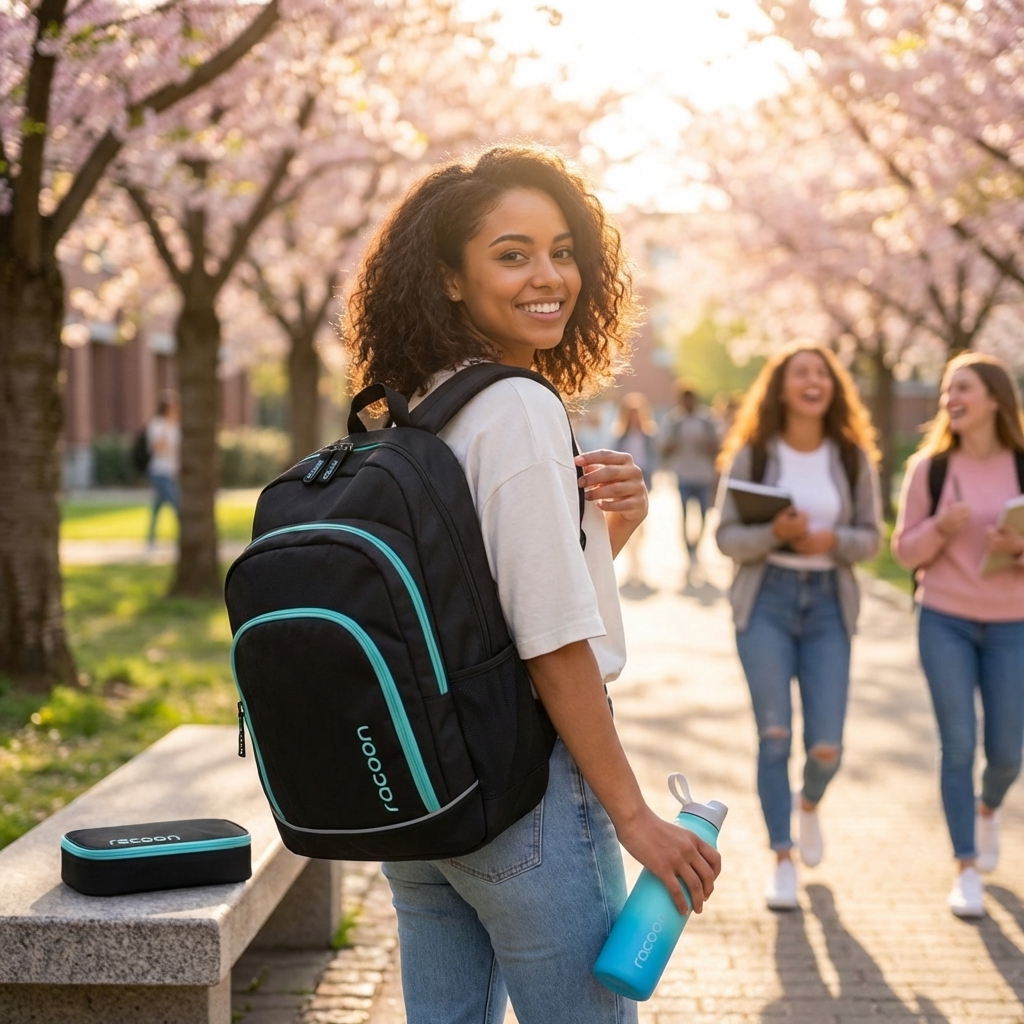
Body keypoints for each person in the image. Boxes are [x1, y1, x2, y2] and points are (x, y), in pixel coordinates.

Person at [342, 145, 721, 1024]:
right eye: (511, 255)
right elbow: (549, 642)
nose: (549, 276)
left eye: (561, 250)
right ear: (449, 279)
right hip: (528, 802)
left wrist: (604, 539)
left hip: (428, 801)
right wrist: (633, 815)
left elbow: (482, 608)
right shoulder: (515, 405)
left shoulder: (409, 404)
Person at [715, 342, 881, 910]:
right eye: (800, 373)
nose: (813, 380)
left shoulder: (853, 457)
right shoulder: (754, 455)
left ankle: (807, 803)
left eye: (822, 373)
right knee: (775, 735)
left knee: (827, 746)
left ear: (833, 388)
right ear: (781, 388)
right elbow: (726, 537)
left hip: (829, 605)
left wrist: (831, 540)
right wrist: (774, 537)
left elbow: (872, 538)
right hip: (767, 603)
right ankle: (781, 855)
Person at [892, 351, 1024, 920]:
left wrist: (1015, 548)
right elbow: (902, 551)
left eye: (963, 387)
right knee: (959, 744)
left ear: (995, 398)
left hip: (1011, 623)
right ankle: (965, 865)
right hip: (943, 617)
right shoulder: (931, 469)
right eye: (947, 389)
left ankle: (988, 807)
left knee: (1005, 751)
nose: (952, 398)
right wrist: (939, 531)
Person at [661, 383, 719, 575]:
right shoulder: (674, 421)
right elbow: (664, 448)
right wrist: (675, 443)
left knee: (703, 516)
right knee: (685, 516)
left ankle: (697, 547)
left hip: (703, 475)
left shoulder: (706, 420)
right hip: (684, 474)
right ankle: (688, 552)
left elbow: (718, 447)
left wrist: (705, 445)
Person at [610, 392, 658, 586]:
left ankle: (638, 565)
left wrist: (651, 482)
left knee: (642, 527)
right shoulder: (620, 437)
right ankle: (632, 565)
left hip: (644, 482)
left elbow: (654, 460)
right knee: (627, 524)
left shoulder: (649, 436)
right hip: (625, 484)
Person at [146, 390, 181, 547]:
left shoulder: (176, 426)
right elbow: (157, 448)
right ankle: (182, 536)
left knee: (157, 507)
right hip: (159, 471)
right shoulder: (157, 425)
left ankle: (150, 539)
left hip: (172, 471)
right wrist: (166, 429)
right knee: (176, 503)